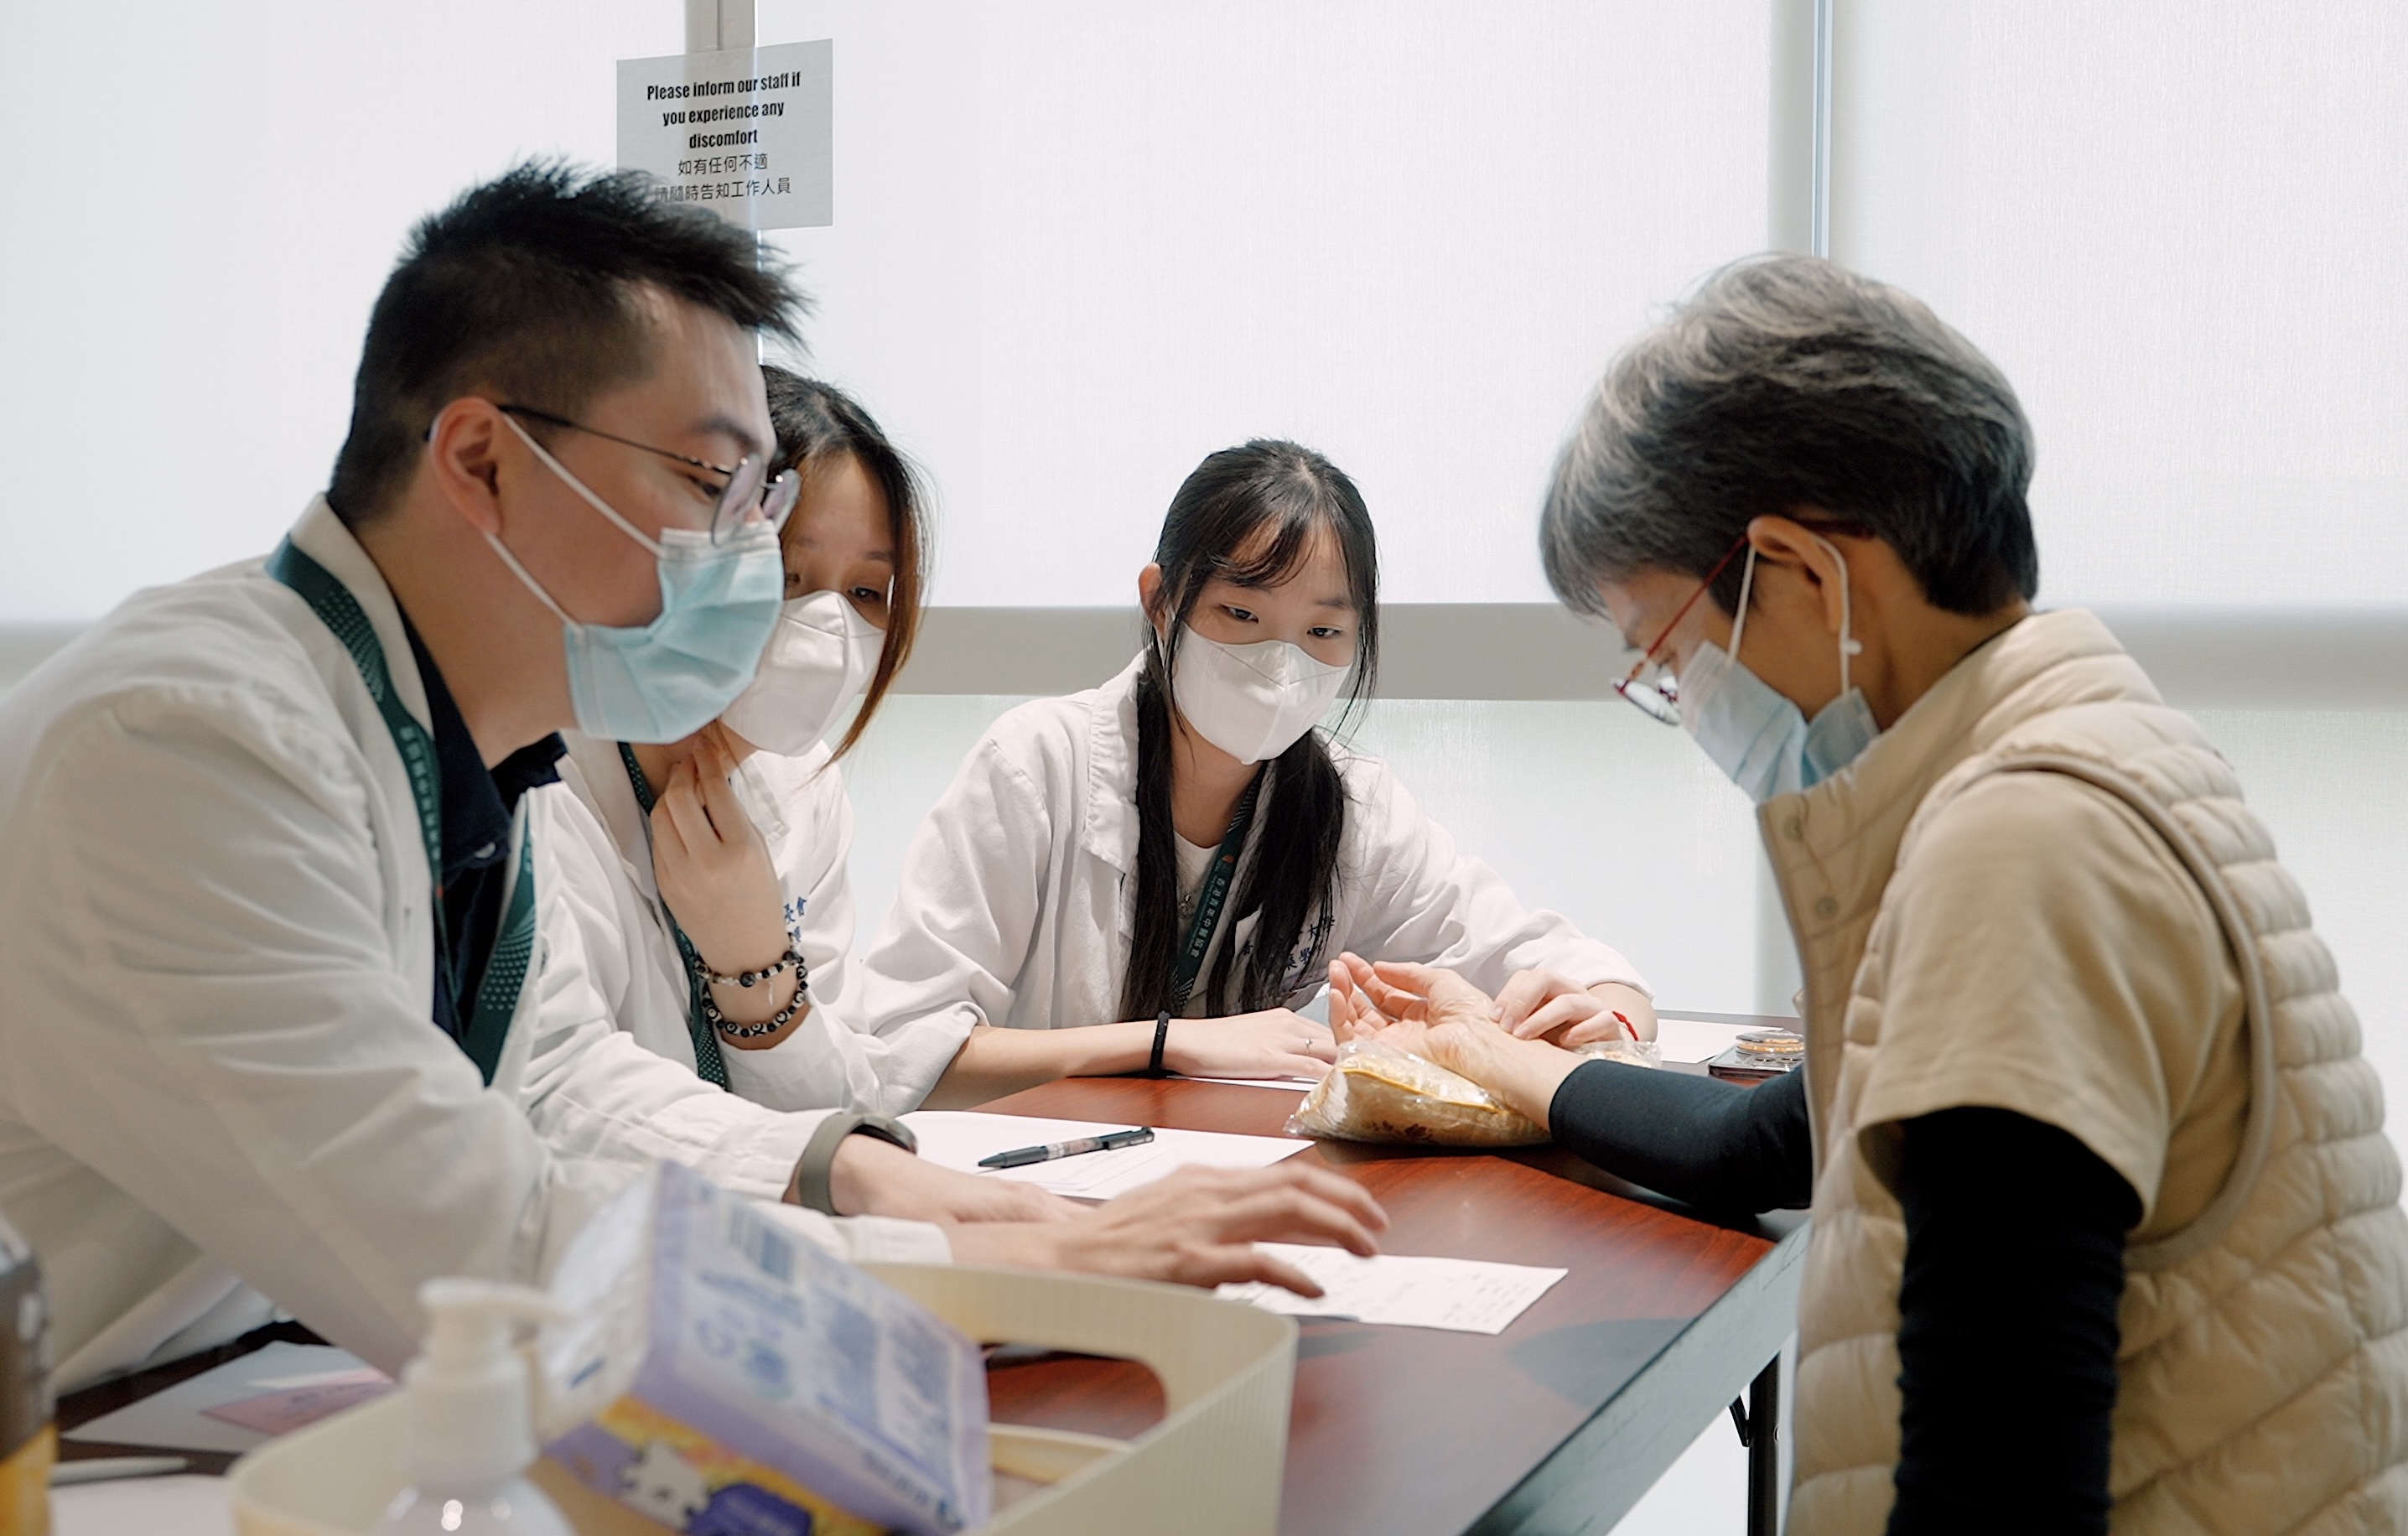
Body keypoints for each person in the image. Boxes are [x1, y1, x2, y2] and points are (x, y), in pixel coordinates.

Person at [0, 165, 1385, 1390]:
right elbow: (479, 1241)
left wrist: (894, 1183)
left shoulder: (456, 740)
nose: (744, 560)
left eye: (758, 503)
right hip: (89, 1420)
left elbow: (555, 1079)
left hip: (230, 1377)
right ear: (482, 459)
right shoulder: (188, 748)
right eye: (712, 484)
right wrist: (1019, 1264)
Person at [1326, 255, 2408, 1533]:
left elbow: (1994, 1496)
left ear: (1799, 570)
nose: (1681, 702)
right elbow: (1766, 1144)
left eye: (1665, 654)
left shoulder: (2019, 848)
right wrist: (1491, 1057)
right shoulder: (2089, 754)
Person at [859, 438, 1656, 1110]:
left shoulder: (1350, 808)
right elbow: (903, 1050)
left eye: (1322, 631)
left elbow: (1570, 968)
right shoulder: (1036, 765)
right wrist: (1169, 1045)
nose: (1281, 665)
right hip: (1031, 1195)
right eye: (1242, 616)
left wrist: (1608, 1023)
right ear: (1161, 601)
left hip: (1230, 1187)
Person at [544, 368, 957, 1112]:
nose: (828, 623)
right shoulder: (544, 785)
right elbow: (572, 1106)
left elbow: (845, 1101)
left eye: (866, 592)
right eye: (787, 573)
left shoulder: (804, 789)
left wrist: (754, 965)